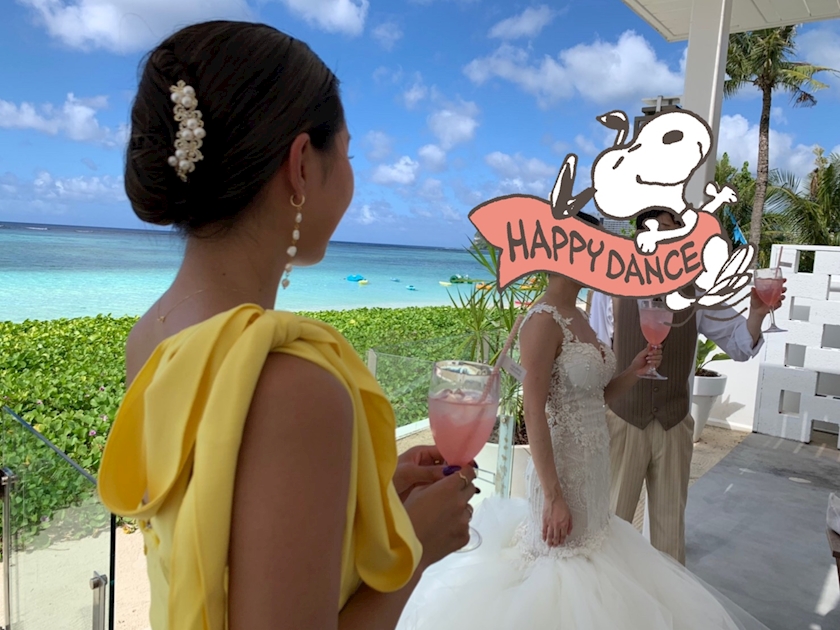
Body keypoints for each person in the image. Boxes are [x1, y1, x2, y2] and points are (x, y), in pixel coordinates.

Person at [96, 21, 477, 630]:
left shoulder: (153, 334)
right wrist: (417, 547)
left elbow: (219, 539)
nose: (350, 179)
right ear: (301, 164)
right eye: (346, 154)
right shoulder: (291, 384)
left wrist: (367, 492)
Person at [394, 211, 772, 630]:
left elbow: (591, 397)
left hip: (594, 470)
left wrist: (634, 371)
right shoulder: (543, 319)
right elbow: (535, 410)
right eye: (591, 248)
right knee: (561, 574)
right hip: (565, 474)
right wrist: (554, 497)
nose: (599, 257)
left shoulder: (578, 312)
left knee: (604, 561)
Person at [604, 209, 786, 565]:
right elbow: (598, 351)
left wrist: (757, 313)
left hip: (674, 424)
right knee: (613, 525)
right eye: (659, 230)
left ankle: (665, 599)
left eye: (675, 232)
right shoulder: (611, 289)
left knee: (670, 534)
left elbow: (739, 344)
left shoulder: (697, 293)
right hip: (623, 421)